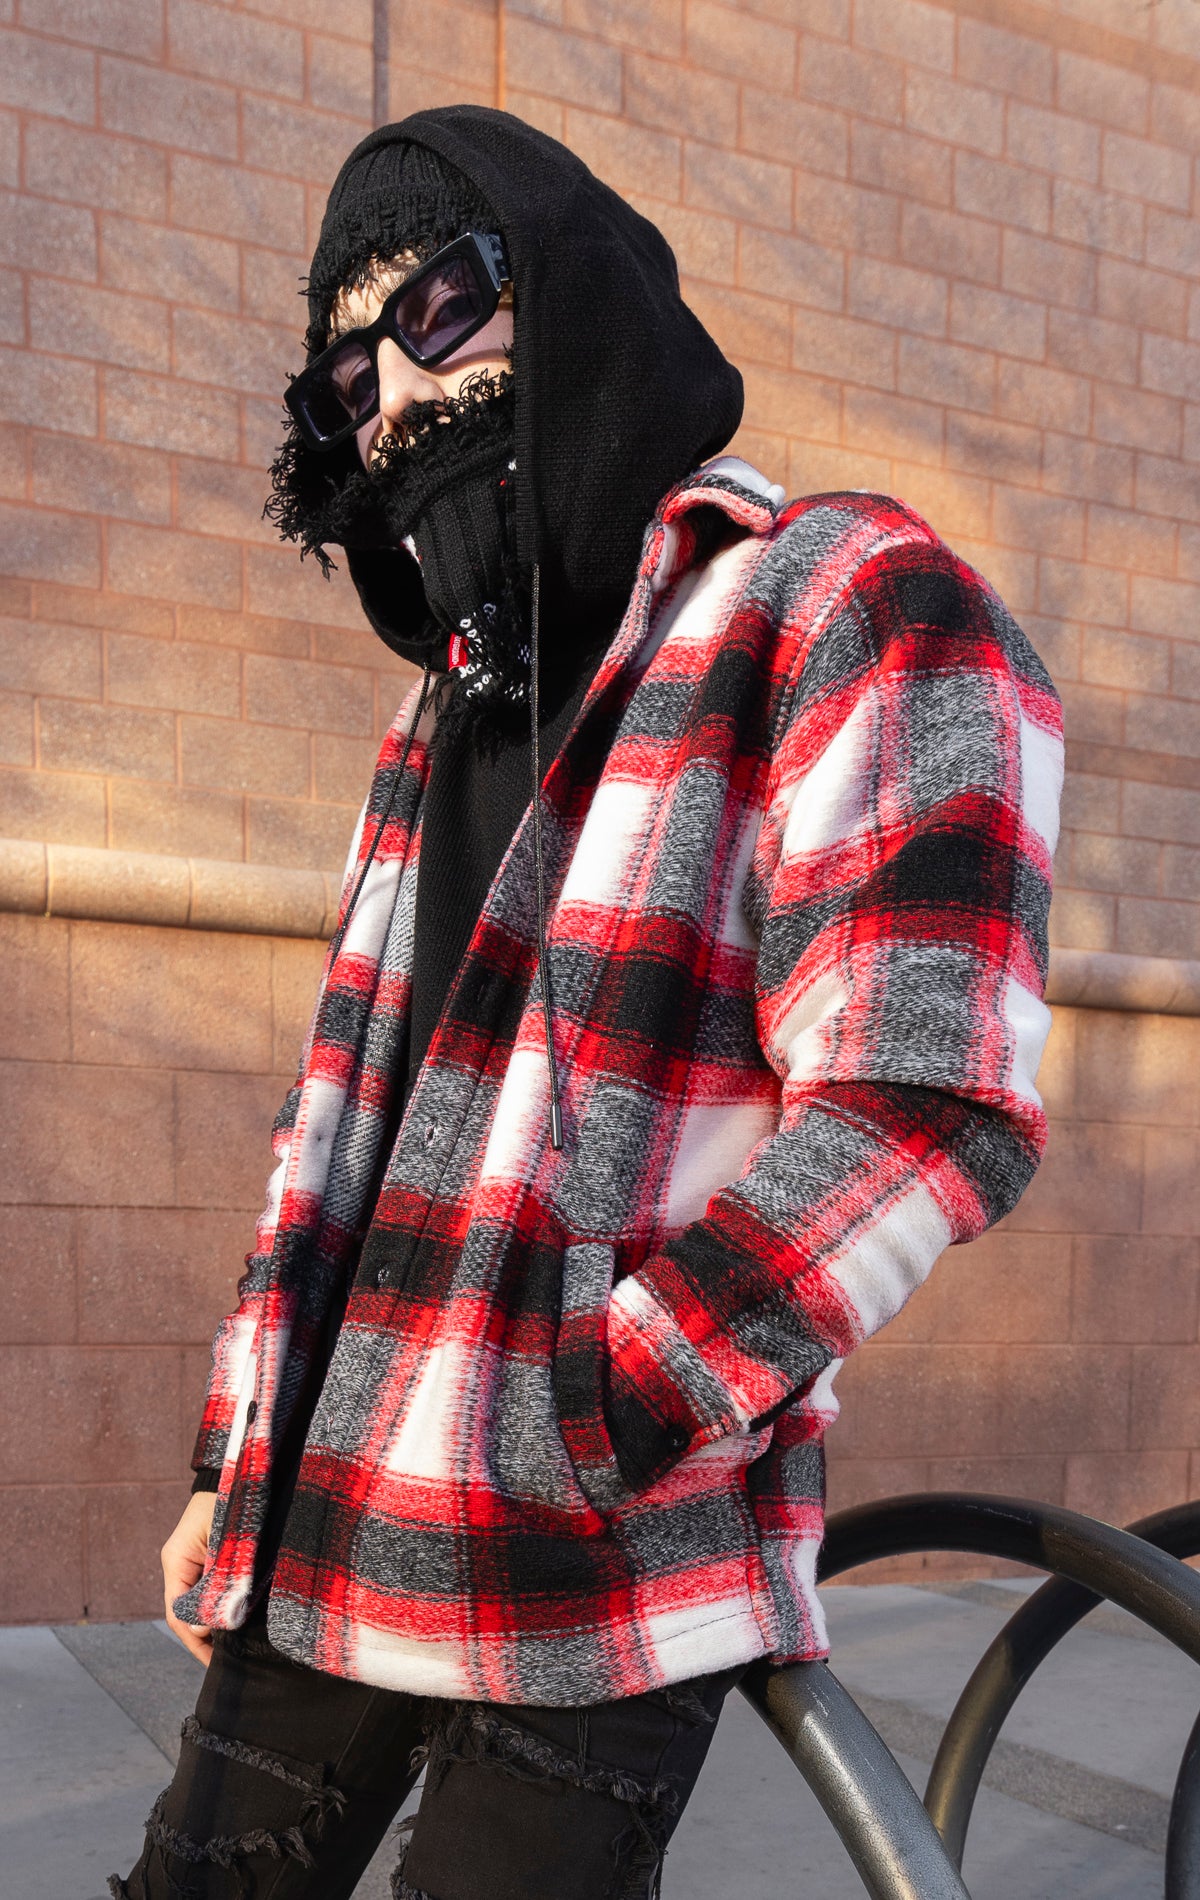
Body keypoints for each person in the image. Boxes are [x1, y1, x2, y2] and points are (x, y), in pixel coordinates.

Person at [113, 105, 1063, 1900]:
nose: (398, 394)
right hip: (317, 1520)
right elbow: (336, 1126)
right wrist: (232, 1458)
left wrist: (601, 1408)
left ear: (569, 285)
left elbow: (924, 1093)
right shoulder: (436, 725)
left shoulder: (843, 597)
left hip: (595, 1567)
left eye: (441, 308)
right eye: (350, 377)